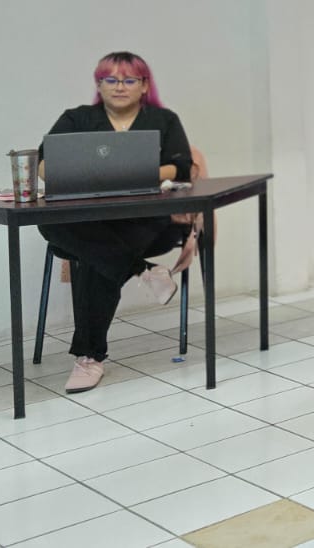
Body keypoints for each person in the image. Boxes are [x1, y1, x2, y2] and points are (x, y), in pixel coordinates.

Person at [37, 52, 193, 394]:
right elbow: (44, 165)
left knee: (97, 255)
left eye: (129, 80)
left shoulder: (163, 120)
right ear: (98, 84)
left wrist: (130, 172)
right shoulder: (77, 118)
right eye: (111, 79)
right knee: (50, 224)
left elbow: (181, 168)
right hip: (88, 222)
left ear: (144, 85)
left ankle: (89, 358)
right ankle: (142, 271)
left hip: (148, 222)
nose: (119, 87)